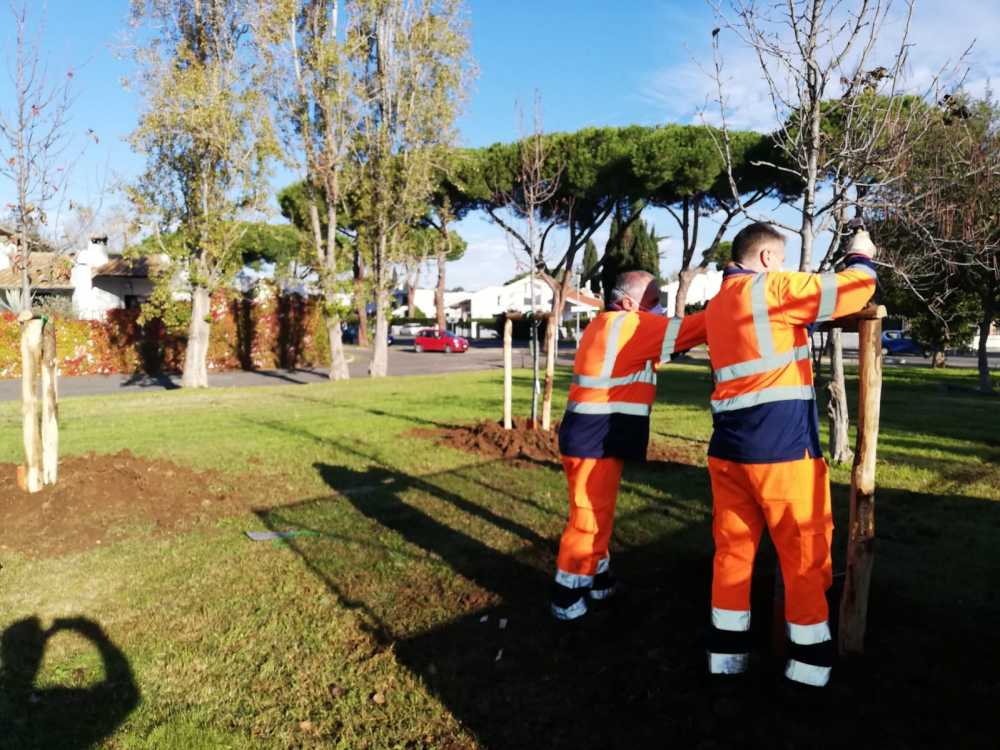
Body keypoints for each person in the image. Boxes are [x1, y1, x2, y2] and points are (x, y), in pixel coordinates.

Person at [702, 222, 877, 688]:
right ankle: (809, 668)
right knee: (803, 555)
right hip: (781, 450)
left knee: (732, 556)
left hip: (728, 451)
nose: (783, 268)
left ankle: (726, 660)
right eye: (780, 259)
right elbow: (854, 290)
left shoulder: (718, 304)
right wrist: (861, 255)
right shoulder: (772, 287)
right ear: (765, 259)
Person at [551, 270, 707, 622]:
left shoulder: (608, 325)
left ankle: (597, 580)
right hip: (596, 436)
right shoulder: (628, 326)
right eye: (654, 302)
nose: (661, 309)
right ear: (627, 303)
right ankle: (566, 596)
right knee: (587, 518)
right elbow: (696, 328)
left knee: (597, 513)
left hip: (594, 434)